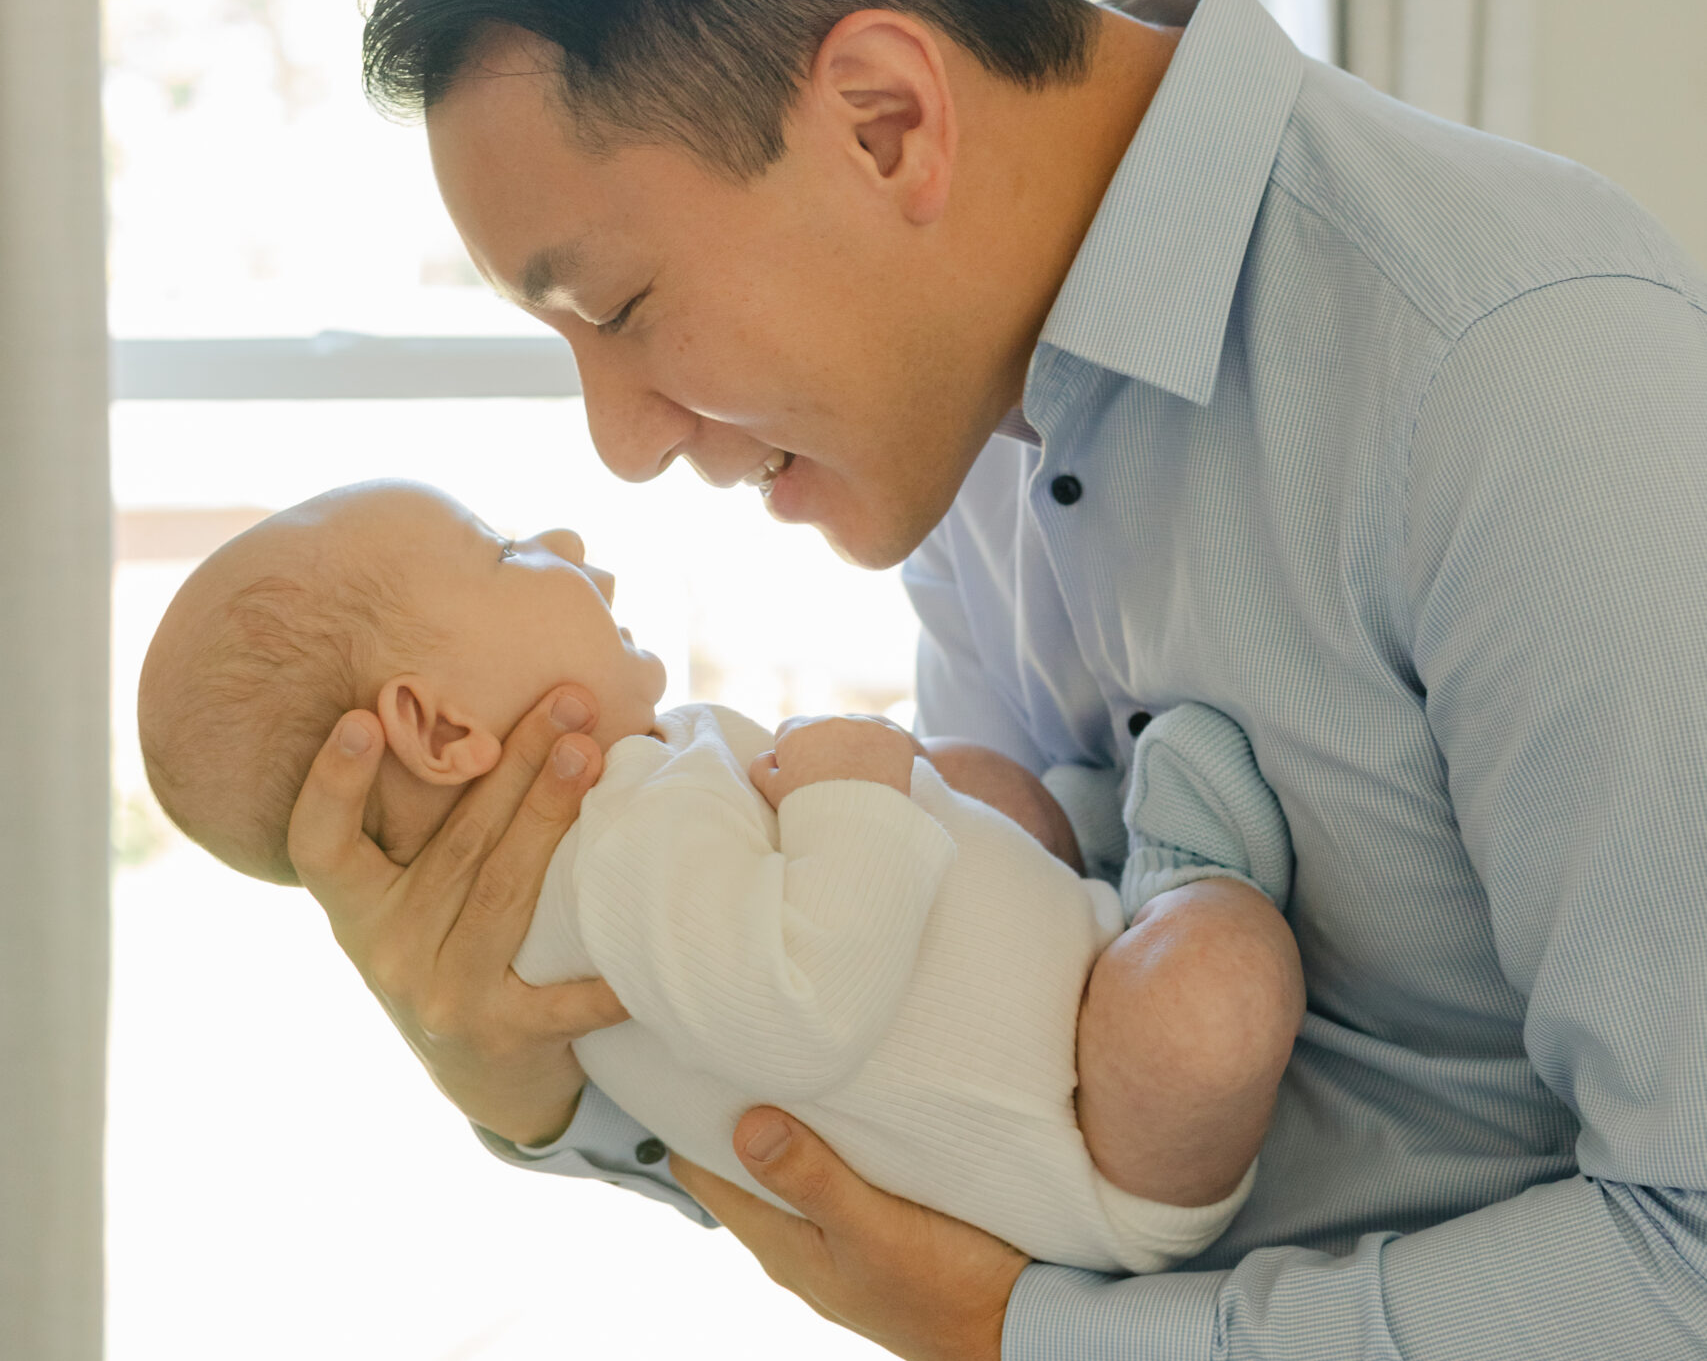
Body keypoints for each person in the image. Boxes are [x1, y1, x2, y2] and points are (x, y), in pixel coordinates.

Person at [285, 0, 1707, 1361]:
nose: (616, 434)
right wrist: (541, 1073)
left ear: (882, 118)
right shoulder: (967, 422)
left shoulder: (1512, 376)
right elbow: (975, 1062)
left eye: (614, 306)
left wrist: (1040, 1351)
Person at [137, 477, 1305, 1272]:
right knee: (1212, 997)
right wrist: (851, 790)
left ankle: (1135, 900)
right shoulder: (612, 855)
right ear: (441, 734)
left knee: (967, 782)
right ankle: (1190, 881)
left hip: (1040, 1035)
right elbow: (802, 1008)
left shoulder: (595, 857)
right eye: (505, 554)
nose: (571, 548)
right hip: (1094, 1140)